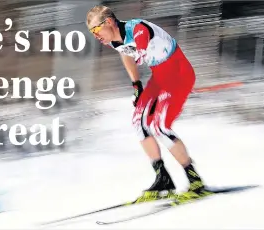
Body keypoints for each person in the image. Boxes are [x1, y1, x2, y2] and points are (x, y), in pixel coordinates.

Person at [86, 5, 211, 199]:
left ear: (108, 22)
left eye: (96, 30)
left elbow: (141, 43)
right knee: (139, 123)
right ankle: (163, 179)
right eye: (91, 32)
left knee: (161, 126)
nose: (95, 35)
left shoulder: (138, 29)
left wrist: (142, 53)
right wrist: (136, 85)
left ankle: (195, 181)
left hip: (178, 74)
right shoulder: (113, 39)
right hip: (159, 76)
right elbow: (125, 53)